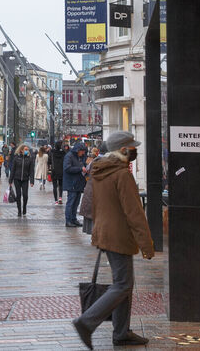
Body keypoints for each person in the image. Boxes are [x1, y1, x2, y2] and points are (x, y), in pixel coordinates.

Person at [73, 131, 154, 349]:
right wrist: (147, 244)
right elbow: (134, 212)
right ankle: (86, 322)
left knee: (124, 284)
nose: (135, 150)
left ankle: (121, 332)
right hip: (118, 235)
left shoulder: (101, 171)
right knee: (123, 284)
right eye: (132, 147)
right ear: (123, 150)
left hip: (106, 232)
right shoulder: (121, 174)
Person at [79, 143, 108, 235]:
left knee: (93, 214)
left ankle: (96, 236)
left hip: (90, 189)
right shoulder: (107, 161)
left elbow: (85, 173)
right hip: (99, 191)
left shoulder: (93, 161)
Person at [63, 142, 88, 227]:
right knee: (71, 202)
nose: (83, 153)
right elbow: (67, 168)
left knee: (76, 203)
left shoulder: (80, 157)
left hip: (78, 183)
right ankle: (68, 220)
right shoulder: (69, 156)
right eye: (82, 151)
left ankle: (74, 219)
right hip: (72, 183)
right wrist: (80, 169)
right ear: (78, 150)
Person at [9, 144, 34, 216]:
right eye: (25, 150)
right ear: (21, 150)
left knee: (25, 195)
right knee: (18, 195)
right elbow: (13, 170)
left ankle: (24, 207)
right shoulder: (16, 158)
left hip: (25, 179)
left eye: (27, 150)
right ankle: (19, 210)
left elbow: (31, 171)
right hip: (17, 179)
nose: (27, 151)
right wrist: (10, 180)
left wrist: (32, 181)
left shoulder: (30, 159)